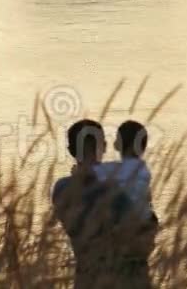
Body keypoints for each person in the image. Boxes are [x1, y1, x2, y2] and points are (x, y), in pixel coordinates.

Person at [52, 119, 156, 289]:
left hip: (85, 279)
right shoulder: (115, 192)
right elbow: (142, 238)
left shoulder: (61, 189)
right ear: (105, 146)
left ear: (71, 150)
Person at [94, 120, 156, 222]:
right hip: (146, 220)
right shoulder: (144, 169)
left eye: (117, 138)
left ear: (118, 144)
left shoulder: (113, 168)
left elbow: (92, 171)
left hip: (127, 222)